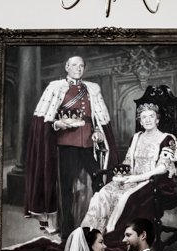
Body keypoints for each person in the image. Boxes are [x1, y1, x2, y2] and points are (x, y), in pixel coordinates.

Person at [23, 56, 119, 240]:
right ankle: (67, 231)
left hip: (88, 146)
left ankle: (95, 225)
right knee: (66, 189)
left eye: (81, 65)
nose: (78, 68)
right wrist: (59, 123)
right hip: (66, 145)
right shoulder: (55, 87)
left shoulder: (92, 88)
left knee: (99, 181)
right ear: (66, 67)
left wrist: (97, 131)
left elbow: (96, 117)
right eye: (74, 65)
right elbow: (47, 121)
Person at [81, 103, 177, 251]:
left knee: (127, 198)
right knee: (104, 193)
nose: (147, 120)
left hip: (153, 180)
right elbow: (127, 162)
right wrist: (121, 176)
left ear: (157, 120)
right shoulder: (136, 138)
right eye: (144, 117)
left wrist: (136, 178)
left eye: (151, 116)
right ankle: (92, 236)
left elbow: (161, 169)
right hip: (132, 177)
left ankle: (113, 238)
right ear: (140, 121)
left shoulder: (166, 139)